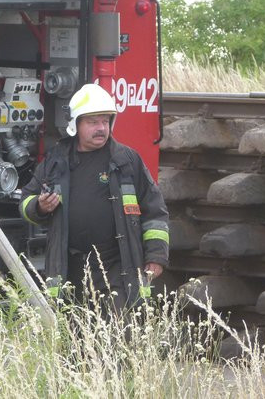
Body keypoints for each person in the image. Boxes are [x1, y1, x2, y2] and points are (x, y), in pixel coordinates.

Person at [19, 83, 169, 310]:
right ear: (75, 124)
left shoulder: (127, 161)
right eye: (92, 122)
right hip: (71, 268)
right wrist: (40, 208)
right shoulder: (56, 161)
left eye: (105, 121)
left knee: (118, 333)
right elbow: (25, 202)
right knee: (73, 335)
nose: (101, 128)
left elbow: (155, 211)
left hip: (118, 265)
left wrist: (156, 256)